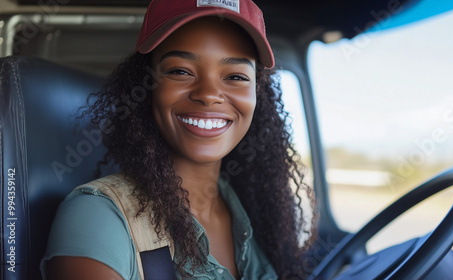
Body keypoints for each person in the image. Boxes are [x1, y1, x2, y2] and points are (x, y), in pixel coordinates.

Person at [41, 0, 316, 279]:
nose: (208, 94)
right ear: (145, 86)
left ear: (259, 96)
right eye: (180, 71)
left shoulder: (248, 205)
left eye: (235, 76)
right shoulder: (98, 218)